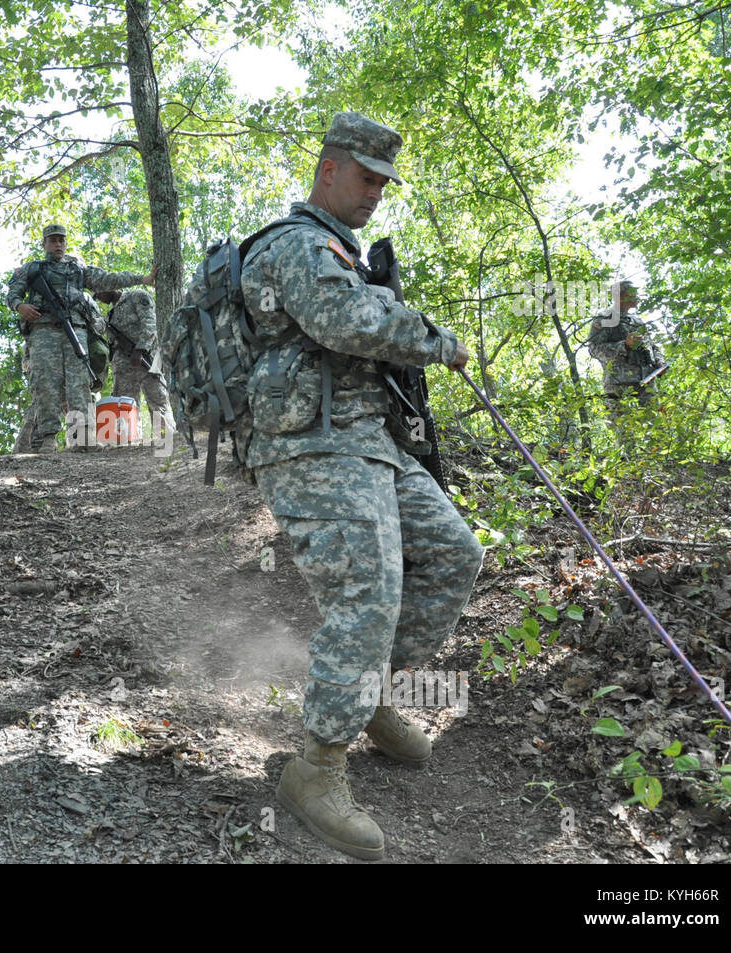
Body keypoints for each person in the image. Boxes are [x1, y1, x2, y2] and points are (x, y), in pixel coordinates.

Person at [239, 113, 484, 860]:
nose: (376, 192)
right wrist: (436, 339)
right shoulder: (295, 245)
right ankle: (315, 768)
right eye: (366, 176)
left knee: (453, 553)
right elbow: (344, 320)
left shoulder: (342, 250)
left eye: (384, 180)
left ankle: (372, 692)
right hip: (309, 445)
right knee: (369, 591)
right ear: (328, 170)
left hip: (369, 442)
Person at [6, 224, 154, 451]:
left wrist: (141, 278)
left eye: (61, 240)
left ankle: (81, 438)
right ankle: (48, 438)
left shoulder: (77, 269)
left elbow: (107, 279)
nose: (58, 245)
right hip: (43, 331)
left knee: (79, 384)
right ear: (44, 243)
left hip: (75, 331)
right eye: (53, 240)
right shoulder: (32, 269)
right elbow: (12, 294)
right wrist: (20, 306)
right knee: (46, 384)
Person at [95, 288, 172, 440]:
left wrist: (141, 348)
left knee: (157, 400)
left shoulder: (137, 296)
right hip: (123, 366)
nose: (98, 296)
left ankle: (166, 438)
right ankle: (131, 441)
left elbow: (150, 323)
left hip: (147, 359)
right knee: (125, 406)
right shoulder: (110, 314)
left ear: (110, 285)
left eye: (98, 291)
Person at [587, 279, 666, 411]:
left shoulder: (637, 321)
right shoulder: (605, 319)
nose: (637, 296)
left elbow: (651, 345)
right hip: (620, 387)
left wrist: (660, 361)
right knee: (624, 430)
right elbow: (594, 349)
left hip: (647, 387)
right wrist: (624, 345)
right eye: (633, 293)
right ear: (620, 296)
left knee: (655, 429)